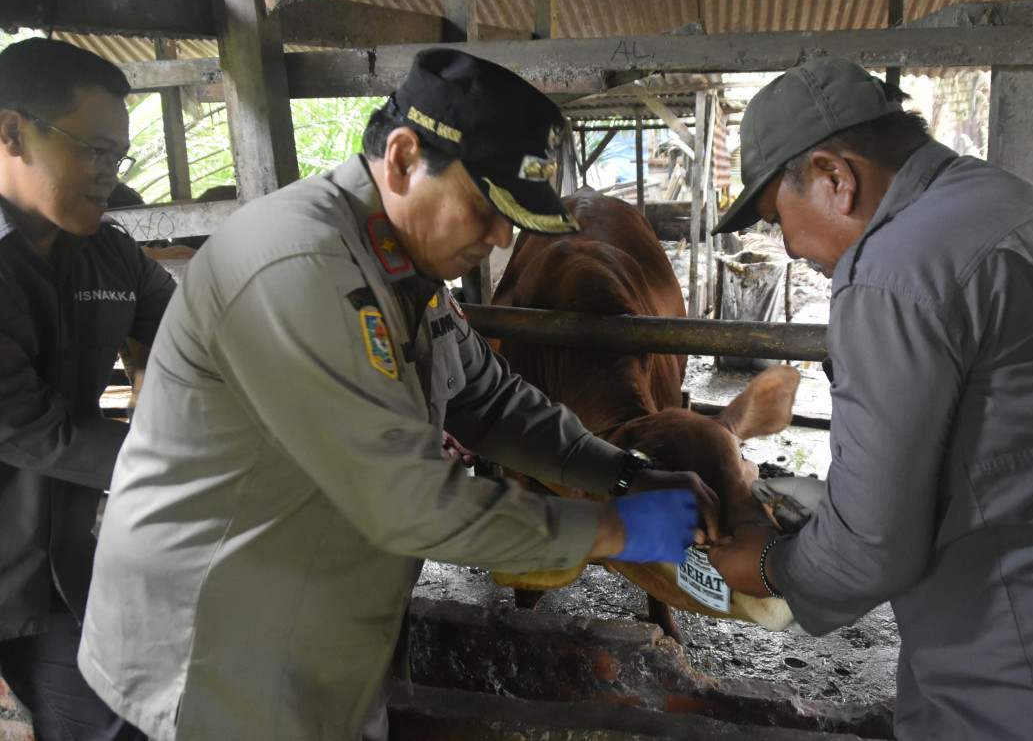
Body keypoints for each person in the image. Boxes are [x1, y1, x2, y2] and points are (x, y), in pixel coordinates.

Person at [78, 48, 718, 741]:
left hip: (313, 641)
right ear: (406, 157)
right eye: (488, 206)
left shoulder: (400, 270)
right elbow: (408, 501)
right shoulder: (298, 265)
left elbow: (491, 400)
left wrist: (620, 470)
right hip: (211, 662)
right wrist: (616, 529)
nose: (504, 237)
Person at [707, 56, 1033, 739]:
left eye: (778, 217)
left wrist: (771, 564)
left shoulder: (892, 269)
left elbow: (872, 548)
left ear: (834, 178)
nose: (794, 248)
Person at [0, 38, 176, 740]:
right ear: (11, 131)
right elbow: (30, 426)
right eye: (93, 150)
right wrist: (183, 461)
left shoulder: (109, 250)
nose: (109, 174)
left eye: (118, 156)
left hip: (75, 569)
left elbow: (187, 334)